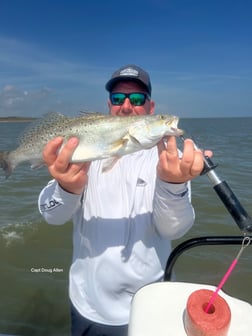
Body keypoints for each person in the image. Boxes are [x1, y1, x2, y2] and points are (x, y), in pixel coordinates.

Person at [38, 64, 211, 336]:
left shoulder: (171, 160)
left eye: (138, 99)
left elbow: (173, 230)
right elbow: (51, 215)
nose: (127, 106)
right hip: (89, 304)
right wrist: (66, 187)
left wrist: (172, 184)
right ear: (109, 105)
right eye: (118, 99)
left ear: (150, 108)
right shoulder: (85, 151)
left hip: (152, 302)